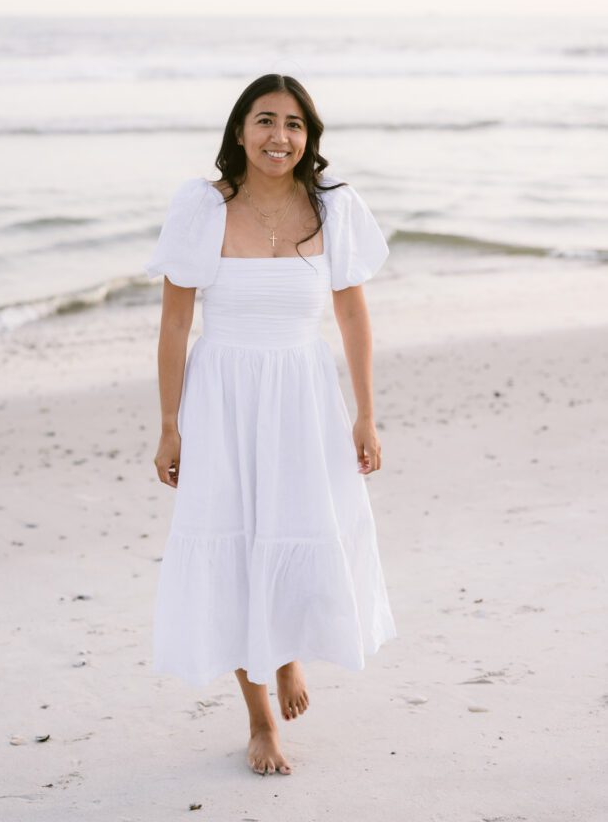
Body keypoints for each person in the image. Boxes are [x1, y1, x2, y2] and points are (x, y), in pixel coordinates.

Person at [145, 73, 397, 776]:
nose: (277, 136)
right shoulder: (201, 208)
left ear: (309, 137)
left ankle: (285, 654)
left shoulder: (335, 208)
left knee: (292, 527)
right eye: (263, 121)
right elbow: (173, 321)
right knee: (234, 542)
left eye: (292, 124)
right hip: (222, 393)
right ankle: (259, 721)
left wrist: (366, 416)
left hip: (303, 394)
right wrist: (169, 425)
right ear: (238, 131)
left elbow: (351, 315)